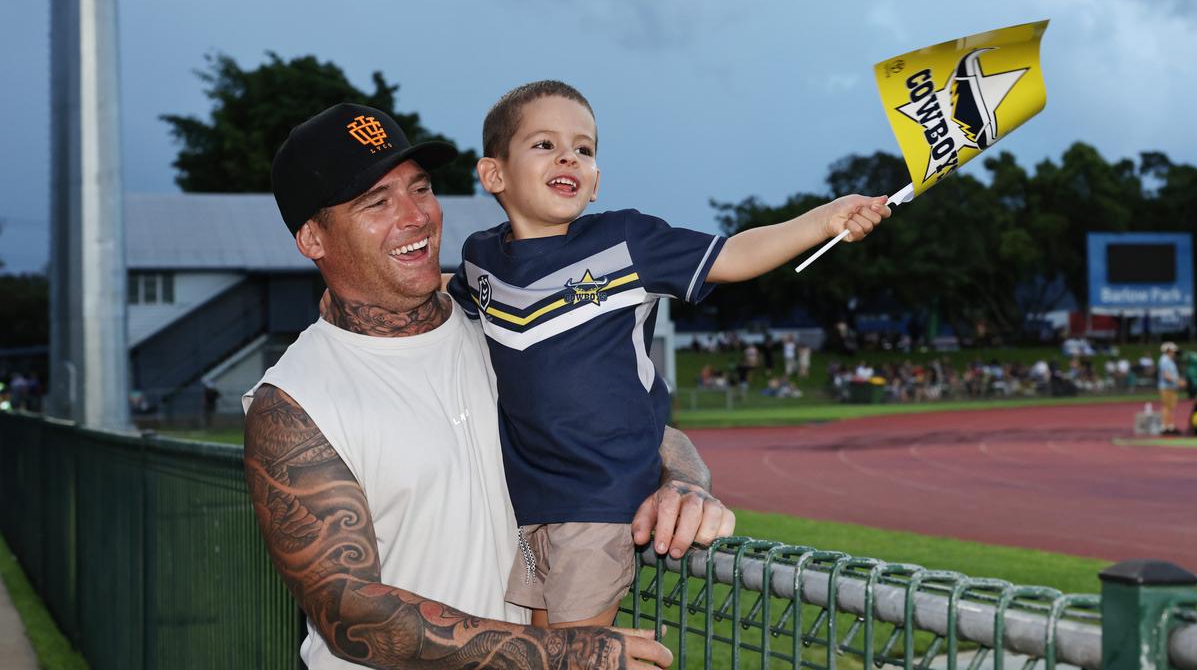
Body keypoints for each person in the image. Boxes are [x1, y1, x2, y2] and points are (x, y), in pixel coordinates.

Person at [243, 103, 735, 669]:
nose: (416, 216)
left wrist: (686, 480)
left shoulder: (501, 323)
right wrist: (563, 655)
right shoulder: (293, 401)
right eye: (376, 203)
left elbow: (621, 428)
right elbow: (349, 613)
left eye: (421, 188)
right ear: (311, 238)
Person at [448, 80, 890, 628]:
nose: (569, 156)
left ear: (595, 182)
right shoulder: (480, 257)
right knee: (539, 654)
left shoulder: (626, 241)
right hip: (521, 502)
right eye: (544, 144)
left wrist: (822, 219)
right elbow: (445, 295)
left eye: (584, 149)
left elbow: (733, 253)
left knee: (574, 656)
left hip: (599, 499)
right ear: (494, 174)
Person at [1157, 341, 1185, 434]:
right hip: (1167, 387)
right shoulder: (1164, 360)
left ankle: (1170, 426)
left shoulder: (1169, 360)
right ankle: (1165, 427)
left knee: (1171, 407)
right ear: (1168, 350)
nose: (1174, 353)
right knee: (1167, 407)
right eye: (1173, 351)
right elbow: (1166, 376)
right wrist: (1178, 381)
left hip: (1171, 387)